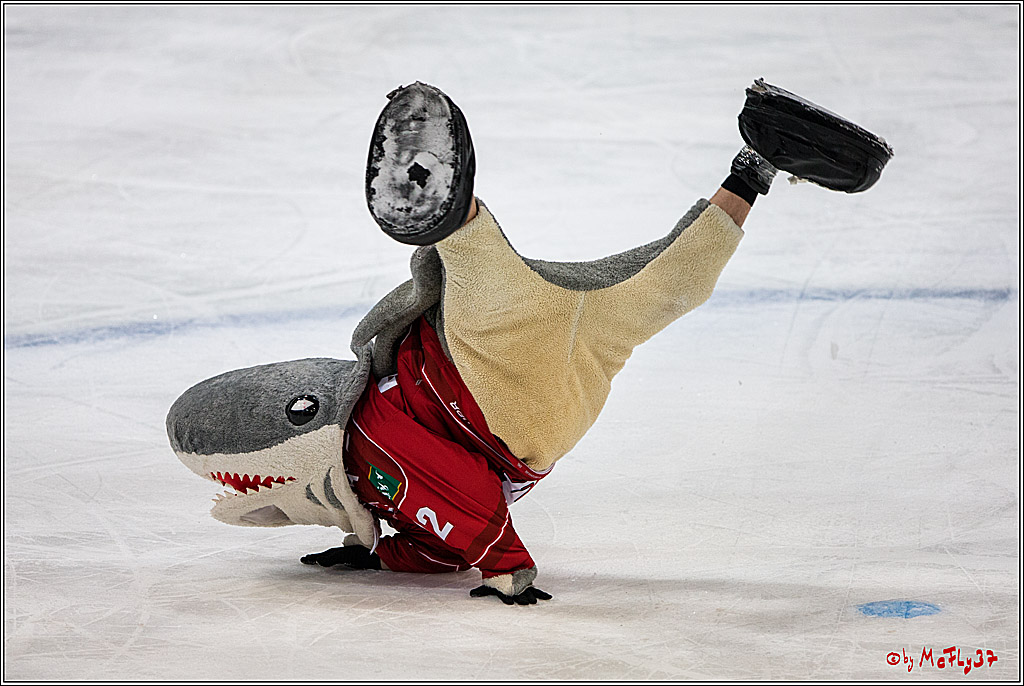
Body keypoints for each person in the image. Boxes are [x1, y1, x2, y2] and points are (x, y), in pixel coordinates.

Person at [300, 81, 856, 605]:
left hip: (499, 398)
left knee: (669, 282)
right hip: (495, 377)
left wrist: (504, 566)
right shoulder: (378, 475)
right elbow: (447, 519)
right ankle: (756, 162)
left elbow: (455, 499)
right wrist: (383, 553)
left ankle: (754, 168)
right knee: (651, 275)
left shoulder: (361, 448)